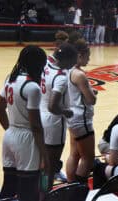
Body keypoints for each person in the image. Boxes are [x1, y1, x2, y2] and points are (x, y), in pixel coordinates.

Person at [0, 45, 48, 201]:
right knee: (28, 189)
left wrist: (9, 128)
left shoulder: (9, 79)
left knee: (9, 186)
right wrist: (44, 154)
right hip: (27, 139)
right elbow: (35, 126)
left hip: (10, 136)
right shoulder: (32, 87)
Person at [40, 43, 78, 189]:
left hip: (40, 117)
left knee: (44, 164)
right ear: (65, 59)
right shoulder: (61, 77)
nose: (73, 64)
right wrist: (66, 112)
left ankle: (41, 191)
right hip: (54, 123)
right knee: (50, 167)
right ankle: (45, 193)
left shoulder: (47, 65)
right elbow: (53, 106)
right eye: (72, 61)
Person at [66, 39, 97, 184]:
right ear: (79, 55)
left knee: (74, 154)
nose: (89, 58)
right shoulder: (79, 74)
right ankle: (78, 190)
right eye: (87, 55)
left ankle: (70, 185)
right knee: (88, 158)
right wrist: (93, 93)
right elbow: (91, 100)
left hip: (71, 117)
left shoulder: (66, 69)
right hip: (81, 119)